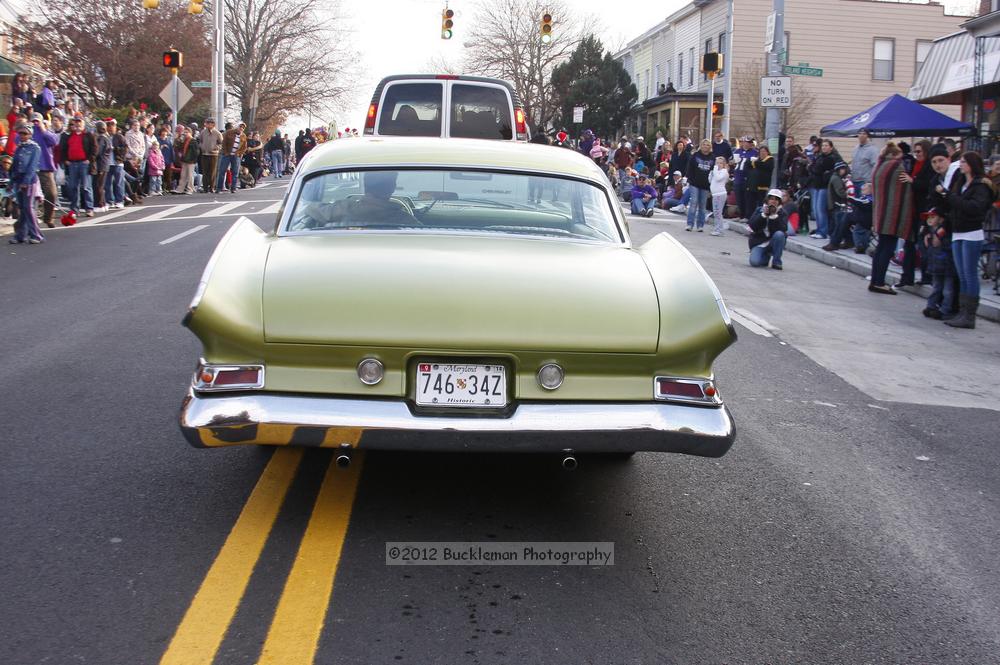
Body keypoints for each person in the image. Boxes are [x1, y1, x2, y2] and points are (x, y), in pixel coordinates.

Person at [938, 151, 993, 328]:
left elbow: (974, 207)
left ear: (971, 164)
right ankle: (962, 311)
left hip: (972, 232)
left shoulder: (981, 186)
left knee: (969, 275)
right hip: (958, 231)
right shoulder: (961, 182)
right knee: (962, 275)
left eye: (963, 162)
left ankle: (970, 315)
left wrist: (950, 197)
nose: (960, 164)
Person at [868, 142, 913, 295]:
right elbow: (905, 190)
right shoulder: (896, 167)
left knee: (881, 248)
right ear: (894, 155)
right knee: (887, 249)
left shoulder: (879, 166)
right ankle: (879, 282)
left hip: (881, 214)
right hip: (893, 215)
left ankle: (875, 280)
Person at [8, 125, 43, 244]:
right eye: (20, 133)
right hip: (18, 180)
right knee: (22, 208)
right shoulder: (19, 147)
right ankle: (20, 235)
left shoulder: (34, 148)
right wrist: (11, 182)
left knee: (28, 207)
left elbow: (32, 166)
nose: (22, 136)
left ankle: (36, 235)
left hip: (29, 181)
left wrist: (26, 182)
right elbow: (14, 167)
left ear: (30, 135)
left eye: (24, 133)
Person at [921, 209, 955, 320]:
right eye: (928, 217)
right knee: (936, 288)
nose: (930, 220)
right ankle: (931, 306)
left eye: (933, 217)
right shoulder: (929, 232)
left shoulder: (943, 232)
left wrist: (939, 241)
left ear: (941, 219)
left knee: (947, 290)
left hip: (947, 265)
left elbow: (948, 246)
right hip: (935, 265)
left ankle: (945, 310)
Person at [59, 116, 96, 217]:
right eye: (76, 122)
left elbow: (94, 148)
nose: (77, 124)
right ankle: (74, 209)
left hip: (84, 163)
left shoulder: (88, 135)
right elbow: (63, 149)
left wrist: (89, 159)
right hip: (72, 164)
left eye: (79, 122)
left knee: (86, 187)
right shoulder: (69, 136)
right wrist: (65, 160)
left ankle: (89, 208)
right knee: (73, 187)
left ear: (83, 123)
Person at [30, 113, 59, 228]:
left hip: (45, 168)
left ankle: (48, 217)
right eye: (34, 121)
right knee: (30, 196)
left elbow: (54, 141)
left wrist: (43, 129)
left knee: (51, 193)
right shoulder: (28, 132)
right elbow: (18, 140)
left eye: (37, 121)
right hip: (30, 168)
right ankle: (31, 219)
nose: (35, 123)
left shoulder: (46, 133)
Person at [747, 189, 788, 269]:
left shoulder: (782, 213)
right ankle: (766, 256)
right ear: (767, 199)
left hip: (773, 241)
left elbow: (783, 229)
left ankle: (776, 262)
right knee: (754, 262)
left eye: (776, 199)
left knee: (779, 234)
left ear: (779, 202)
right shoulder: (759, 210)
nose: (773, 201)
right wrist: (763, 215)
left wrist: (775, 217)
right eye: (771, 199)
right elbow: (752, 225)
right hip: (760, 242)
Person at [808, 139, 840, 239]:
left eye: (826, 146)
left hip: (824, 186)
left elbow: (818, 169)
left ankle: (823, 231)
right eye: (823, 146)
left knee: (820, 209)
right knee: (815, 209)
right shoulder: (820, 157)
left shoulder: (833, 158)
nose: (824, 147)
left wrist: (817, 169)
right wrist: (816, 168)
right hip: (816, 185)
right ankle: (819, 229)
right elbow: (812, 168)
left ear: (831, 147)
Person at [684, 139, 714, 232]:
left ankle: (700, 225)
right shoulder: (695, 156)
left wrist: (711, 187)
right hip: (694, 183)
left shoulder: (713, 158)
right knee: (694, 202)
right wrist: (689, 179)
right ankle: (689, 224)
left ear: (710, 147)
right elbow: (690, 168)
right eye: (704, 144)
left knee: (702, 205)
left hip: (706, 185)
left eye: (707, 145)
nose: (705, 146)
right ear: (701, 145)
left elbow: (714, 172)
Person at [823, 161, 853, 251]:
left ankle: (847, 241)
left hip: (835, 204)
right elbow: (840, 192)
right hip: (837, 204)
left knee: (841, 224)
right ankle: (838, 242)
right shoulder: (836, 179)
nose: (845, 171)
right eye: (843, 169)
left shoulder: (836, 177)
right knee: (839, 225)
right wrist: (847, 194)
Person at [216, 122, 247, 193]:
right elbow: (224, 143)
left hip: (236, 156)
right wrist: (226, 152)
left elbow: (244, 147)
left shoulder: (243, 136)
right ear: (237, 127)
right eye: (240, 127)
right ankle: (219, 188)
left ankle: (233, 188)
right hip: (227, 154)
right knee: (222, 171)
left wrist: (239, 153)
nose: (241, 129)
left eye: (243, 128)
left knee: (235, 172)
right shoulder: (229, 132)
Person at [732, 137, 757, 220]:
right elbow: (733, 162)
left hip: (747, 178)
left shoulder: (754, 152)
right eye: (745, 142)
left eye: (748, 142)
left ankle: (747, 216)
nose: (746, 144)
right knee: (739, 198)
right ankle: (741, 215)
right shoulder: (737, 151)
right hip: (738, 177)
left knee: (747, 198)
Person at [198, 118, 223, 193]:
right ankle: (205, 188)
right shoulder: (203, 132)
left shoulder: (217, 133)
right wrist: (202, 147)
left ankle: (212, 187)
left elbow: (221, 143)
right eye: (207, 123)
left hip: (214, 154)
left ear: (213, 124)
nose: (207, 125)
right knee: (205, 171)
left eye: (209, 123)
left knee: (212, 172)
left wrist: (216, 148)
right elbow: (200, 141)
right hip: (204, 154)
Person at [172, 126, 199, 195]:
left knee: (190, 175)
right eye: (184, 132)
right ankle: (180, 189)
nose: (185, 134)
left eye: (187, 132)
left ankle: (190, 189)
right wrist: (180, 139)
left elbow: (196, 152)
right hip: (184, 160)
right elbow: (177, 146)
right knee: (183, 175)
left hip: (190, 160)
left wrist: (193, 159)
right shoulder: (183, 140)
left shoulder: (193, 141)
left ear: (190, 133)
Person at [747, 145, 774, 212]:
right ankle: (750, 216)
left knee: (761, 203)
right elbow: (748, 164)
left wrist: (754, 163)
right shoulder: (757, 159)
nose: (762, 153)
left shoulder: (770, 160)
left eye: (764, 151)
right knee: (751, 202)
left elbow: (763, 165)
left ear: (767, 152)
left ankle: (761, 216)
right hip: (753, 185)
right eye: (761, 151)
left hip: (762, 185)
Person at [709, 156, 730, 236]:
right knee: (716, 212)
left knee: (717, 212)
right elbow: (711, 181)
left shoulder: (724, 171)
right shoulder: (716, 171)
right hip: (715, 194)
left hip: (720, 194)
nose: (718, 165)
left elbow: (718, 178)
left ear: (724, 164)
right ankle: (718, 228)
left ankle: (719, 229)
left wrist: (715, 169)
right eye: (717, 163)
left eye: (721, 163)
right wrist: (711, 174)